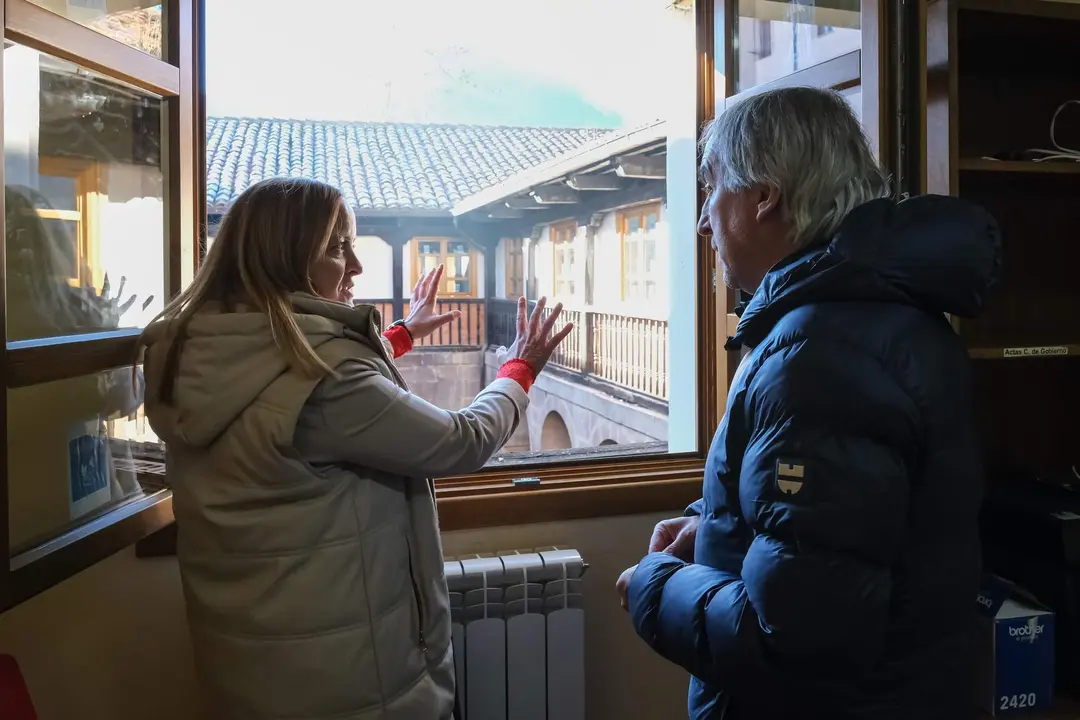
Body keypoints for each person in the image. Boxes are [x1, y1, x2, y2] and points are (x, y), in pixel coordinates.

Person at [616, 87, 1001, 719]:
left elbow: (790, 639)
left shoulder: (820, 354)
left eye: (713, 190)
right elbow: (833, 539)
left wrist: (654, 587)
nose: (704, 221)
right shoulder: (866, 321)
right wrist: (719, 529)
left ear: (764, 196)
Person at [137, 177, 571, 719]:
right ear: (285, 258)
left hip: (250, 665)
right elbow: (459, 441)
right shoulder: (330, 383)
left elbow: (289, 388)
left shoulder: (195, 349)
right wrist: (519, 368)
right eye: (337, 248)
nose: (357, 268)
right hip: (347, 682)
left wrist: (402, 336)